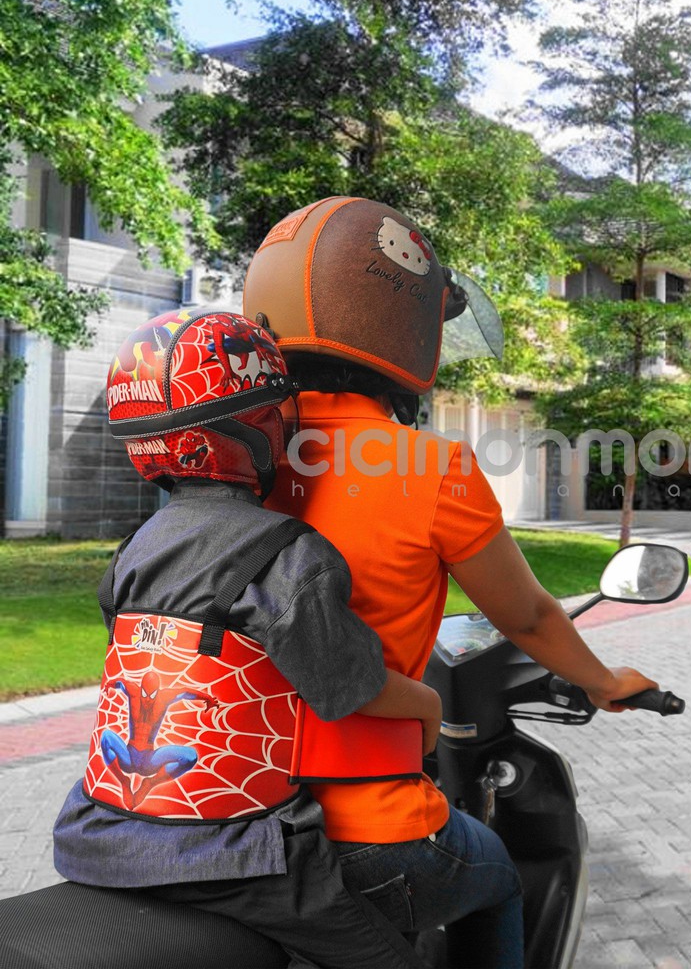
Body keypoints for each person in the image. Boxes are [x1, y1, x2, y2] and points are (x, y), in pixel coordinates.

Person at [242, 196, 660, 969]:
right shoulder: (430, 468)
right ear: (400, 326)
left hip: (224, 813)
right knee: (499, 877)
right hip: (362, 824)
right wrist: (602, 682)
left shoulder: (233, 455)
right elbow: (529, 616)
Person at [52, 308, 440, 969]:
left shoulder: (133, 551)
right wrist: (430, 708)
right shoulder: (288, 556)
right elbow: (351, 689)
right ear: (253, 426)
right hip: (230, 859)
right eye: (277, 411)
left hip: (94, 835)